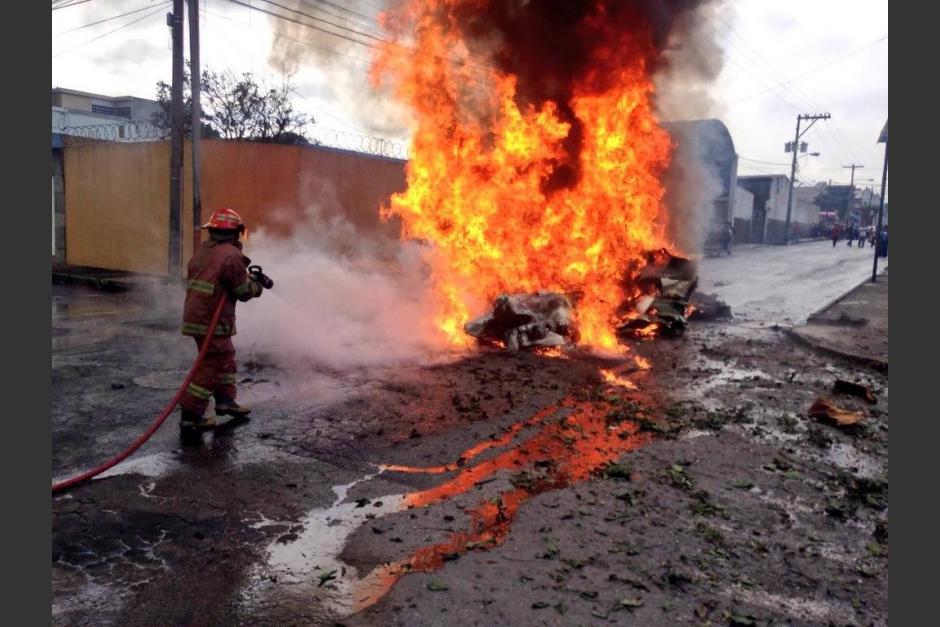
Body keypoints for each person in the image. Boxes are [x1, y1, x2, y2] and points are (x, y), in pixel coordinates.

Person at [179, 208, 265, 432]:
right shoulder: (231, 255)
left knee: (225, 356)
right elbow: (243, 292)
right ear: (235, 232)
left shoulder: (204, 251)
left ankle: (226, 401)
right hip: (211, 321)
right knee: (210, 365)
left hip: (197, 316)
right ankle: (191, 414)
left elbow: (219, 279)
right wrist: (257, 286)